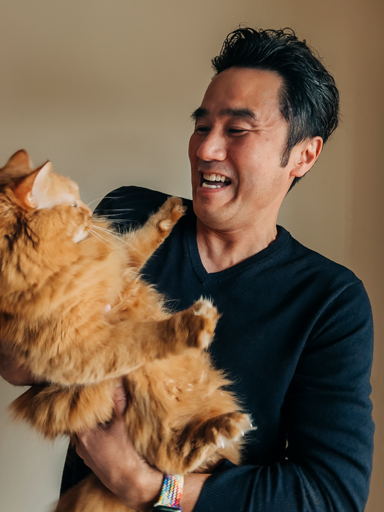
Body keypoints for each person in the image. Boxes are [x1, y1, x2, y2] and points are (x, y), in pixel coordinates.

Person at [0, 27, 374, 512]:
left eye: (236, 130)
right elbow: (14, 358)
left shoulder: (330, 301)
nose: (205, 149)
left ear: (303, 155)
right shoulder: (131, 215)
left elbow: (331, 495)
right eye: (202, 125)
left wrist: (148, 486)